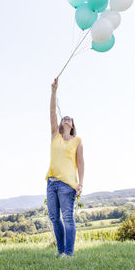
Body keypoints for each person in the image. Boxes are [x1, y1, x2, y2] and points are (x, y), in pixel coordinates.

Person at [45, 77, 84, 258]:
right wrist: (54, 91)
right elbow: (52, 111)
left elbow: (81, 163)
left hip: (67, 185)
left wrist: (80, 184)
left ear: (72, 125)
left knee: (68, 218)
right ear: (61, 124)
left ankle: (68, 254)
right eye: (64, 118)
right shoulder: (55, 136)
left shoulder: (77, 141)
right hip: (51, 183)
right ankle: (60, 251)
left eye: (69, 118)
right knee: (54, 218)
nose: (66, 118)